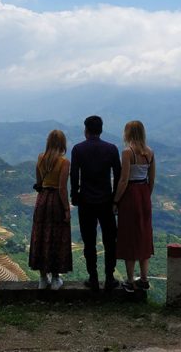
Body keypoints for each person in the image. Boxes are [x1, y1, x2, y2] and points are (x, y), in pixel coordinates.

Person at [70, 115, 121, 291]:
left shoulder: (78, 149)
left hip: (86, 202)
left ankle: (93, 278)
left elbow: (74, 175)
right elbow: (119, 175)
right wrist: (116, 199)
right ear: (101, 129)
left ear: (86, 130)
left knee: (89, 242)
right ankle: (109, 278)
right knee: (110, 241)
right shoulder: (112, 149)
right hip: (107, 201)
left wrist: (74, 196)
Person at [113, 120, 155, 292]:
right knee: (144, 235)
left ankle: (130, 281)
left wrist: (115, 201)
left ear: (127, 133)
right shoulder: (150, 152)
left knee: (129, 236)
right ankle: (144, 279)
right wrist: (146, 196)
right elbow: (151, 179)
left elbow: (123, 180)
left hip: (130, 195)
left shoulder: (127, 152)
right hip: (144, 194)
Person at [28, 129, 72, 290]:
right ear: (62, 144)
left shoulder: (40, 158)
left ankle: (42, 278)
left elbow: (39, 182)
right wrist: (67, 209)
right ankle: (55, 278)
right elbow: (62, 188)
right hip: (56, 202)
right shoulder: (64, 163)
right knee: (57, 237)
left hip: (42, 200)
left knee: (40, 235)